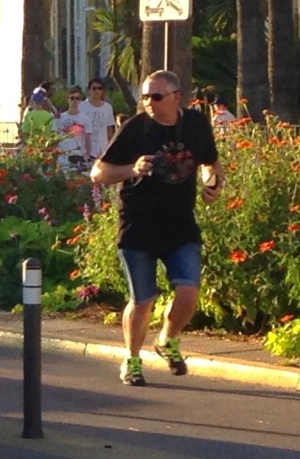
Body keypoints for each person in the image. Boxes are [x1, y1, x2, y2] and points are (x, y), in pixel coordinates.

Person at [90, 70, 224, 387]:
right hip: (138, 225)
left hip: (179, 224)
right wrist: (131, 168)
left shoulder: (194, 124)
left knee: (189, 293)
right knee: (142, 299)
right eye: (145, 96)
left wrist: (213, 184)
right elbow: (98, 172)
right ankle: (132, 361)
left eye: (157, 96)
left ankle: (166, 340)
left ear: (177, 97)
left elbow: (210, 163)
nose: (150, 102)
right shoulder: (135, 129)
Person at [54, 86, 90, 171]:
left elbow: (88, 138)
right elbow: (55, 136)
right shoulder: (60, 118)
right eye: (72, 98)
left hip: (78, 154)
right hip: (63, 155)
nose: (75, 101)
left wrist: (87, 154)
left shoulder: (85, 119)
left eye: (77, 98)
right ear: (68, 100)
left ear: (80, 100)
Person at [80, 77, 116, 159]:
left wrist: (110, 146)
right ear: (89, 90)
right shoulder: (82, 106)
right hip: (85, 150)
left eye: (99, 88)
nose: (97, 91)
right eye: (94, 88)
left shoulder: (108, 107)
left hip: (102, 150)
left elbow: (109, 128)